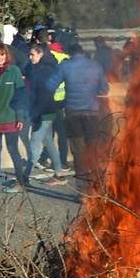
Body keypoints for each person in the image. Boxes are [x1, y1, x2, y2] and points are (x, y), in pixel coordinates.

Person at [55, 39, 112, 184]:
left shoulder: (65, 66)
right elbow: (104, 89)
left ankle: (81, 189)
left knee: (77, 150)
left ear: (70, 54)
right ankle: (98, 184)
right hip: (92, 113)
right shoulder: (95, 66)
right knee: (93, 148)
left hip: (72, 113)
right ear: (83, 53)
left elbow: (51, 84)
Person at [0, 43, 31, 190]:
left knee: (13, 150)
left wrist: (20, 118)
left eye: (2, 54)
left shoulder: (14, 71)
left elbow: (21, 96)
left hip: (10, 118)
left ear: (7, 56)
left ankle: (21, 181)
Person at [23, 42, 68, 185]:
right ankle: (59, 173)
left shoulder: (45, 70)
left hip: (45, 111)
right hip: (43, 110)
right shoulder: (37, 67)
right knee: (48, 142)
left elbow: (44, 94)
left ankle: (24, 178)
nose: (30, 57)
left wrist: (36, 112)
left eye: (32, 55)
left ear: (41, 54)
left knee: (34, 142)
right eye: (29, 54)